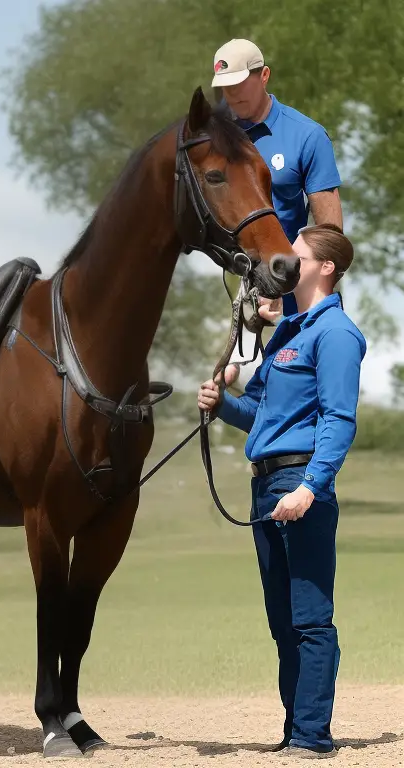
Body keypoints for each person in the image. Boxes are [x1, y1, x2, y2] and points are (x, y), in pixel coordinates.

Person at [198, 223, 366, 758]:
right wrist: (221, 403)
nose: (287, 262)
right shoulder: (289, 334)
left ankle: (313, 737)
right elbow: (263, 416)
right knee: (281, 621)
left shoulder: (335, 335)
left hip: (299, 484)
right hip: (265, 483)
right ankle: (295, 730)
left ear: (325, 268)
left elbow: (340, 419)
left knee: (311, 618)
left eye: (298, 255)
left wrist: (312, 486)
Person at [211, 38, 343, 240]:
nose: (233, 95)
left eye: (239, 84)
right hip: (232, 268)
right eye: (226, 87)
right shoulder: (213, 139)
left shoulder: (308, 136)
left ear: (264, 75)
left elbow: (331, 237)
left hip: (287, 268)